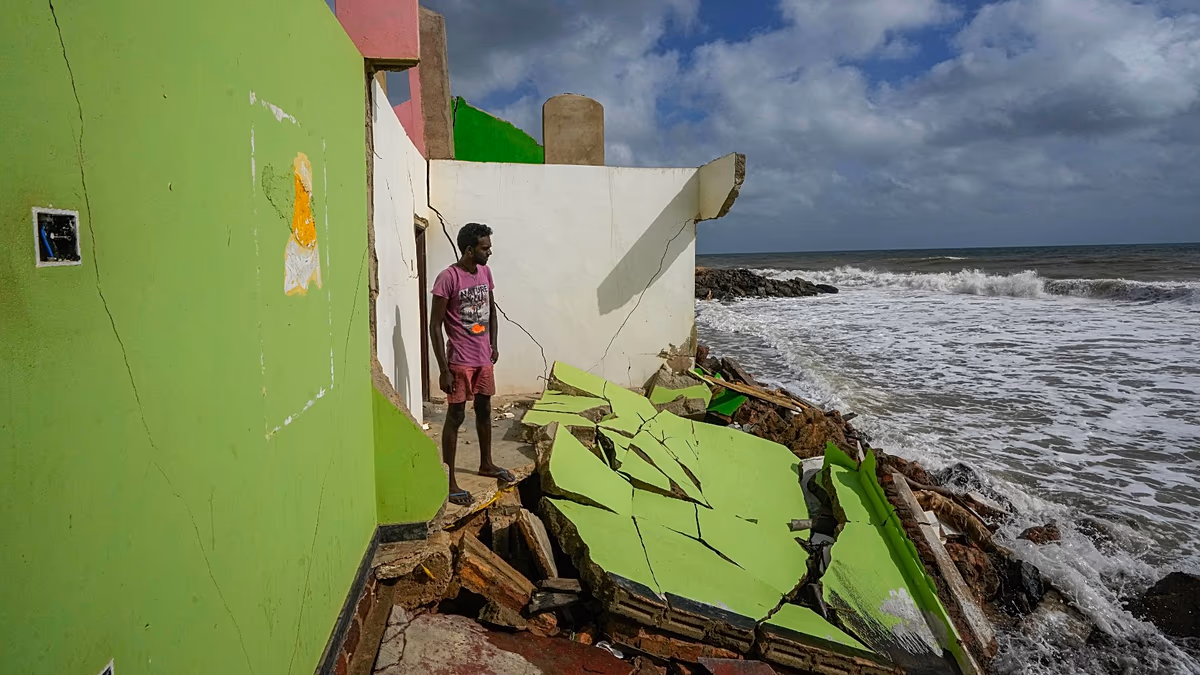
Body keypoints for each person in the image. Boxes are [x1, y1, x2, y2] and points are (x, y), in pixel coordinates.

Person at [430, 222, 514, 506]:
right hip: (459, 361)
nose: (489, 252)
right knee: (455, 416)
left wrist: (494, 344)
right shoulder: (447, 278)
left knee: (484, 410)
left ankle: (486, 463)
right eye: (484, 248)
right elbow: (434, 326)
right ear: (469, 250)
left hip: (483, 359)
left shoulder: (485, 273)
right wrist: (443, 369)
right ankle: (450, 481)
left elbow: (492, 312)